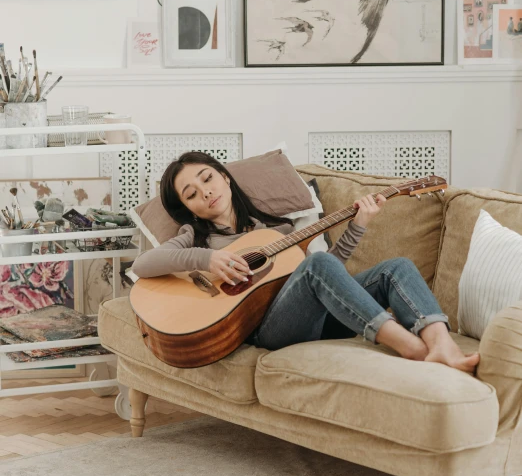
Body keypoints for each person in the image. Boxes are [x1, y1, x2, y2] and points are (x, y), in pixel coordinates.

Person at [132, 151, 480, 374]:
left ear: (224, 177)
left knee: (397, 267)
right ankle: (412, 349)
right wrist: (208, 258)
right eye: (191, 193)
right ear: (189, 208)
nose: (204, 192)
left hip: (319, 318)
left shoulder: (277, 231)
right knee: (315, 267)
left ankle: (442, 344)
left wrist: (357, 227)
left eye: (207, 178)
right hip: (267, 328)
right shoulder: (195, 236)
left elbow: (328, 274)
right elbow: (146, 263)